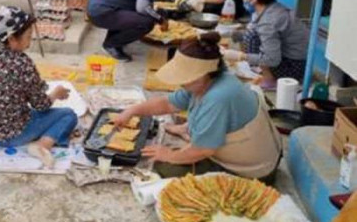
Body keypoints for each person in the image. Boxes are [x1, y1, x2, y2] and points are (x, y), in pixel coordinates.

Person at [113, 32, 282, 182]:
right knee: (171, 153)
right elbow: (168, 103)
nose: (182, 83)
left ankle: (189, 138)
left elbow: (204, 150)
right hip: (257, 153)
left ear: (205, 74)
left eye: (187, 78)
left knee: (160, 167)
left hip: (253, 171)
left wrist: (170, 155)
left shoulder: (218, 97)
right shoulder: (209, 80)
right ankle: (187, 130)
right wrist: (131, 111)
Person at [0, 6, 77, 168]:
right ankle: (43, 145)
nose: (30, 42)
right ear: (12, 39)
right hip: (11, 135)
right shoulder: (22, 64)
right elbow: (41, 105)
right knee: (68, 115)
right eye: (28, 37)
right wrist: (55, 93)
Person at [223, 0, 309, 86]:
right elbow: (251, 30)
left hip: (293, 68)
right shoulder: (271, 8)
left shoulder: (269, 21)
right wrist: (225, 34)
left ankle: (269, 80)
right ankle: (262, 71)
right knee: (251, 34)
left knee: (251, 37)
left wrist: (240, 56)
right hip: (296, 61)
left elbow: (271, 59)